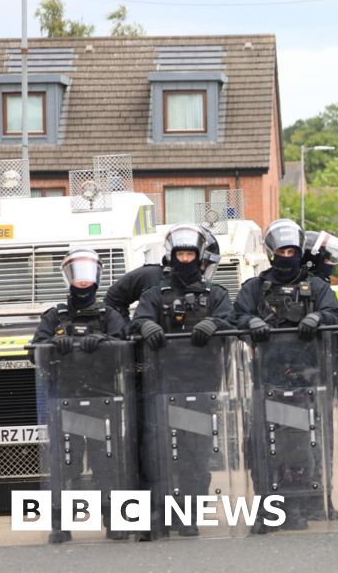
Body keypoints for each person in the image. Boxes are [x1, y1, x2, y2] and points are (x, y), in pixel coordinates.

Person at [234, 218, 338, 532]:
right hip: (265, 379)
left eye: (293, 249)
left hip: (305, 380)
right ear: (272, 252)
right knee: (260, 448)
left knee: (297, 447)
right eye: (282, 249)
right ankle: (268, 508)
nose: (287, 255)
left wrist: (318, 315)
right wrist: (249, 323)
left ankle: (296, 507)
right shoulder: (255, 287)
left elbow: (336, 313)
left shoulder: (317, 287)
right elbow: (235, 315)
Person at [129, 223, 233, 537]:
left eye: (190, 253)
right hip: (161, 387)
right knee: (160, 453)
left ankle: (188, 514)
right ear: (172, 257)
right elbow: (136, 323)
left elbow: (232, 318)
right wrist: (145, 326)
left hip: (200, 387)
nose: (185, 259)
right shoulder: (154, 294)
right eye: (180, 253)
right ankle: (162, 512)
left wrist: (214, 323)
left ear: (200, 257)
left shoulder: (216, 295)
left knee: (194, 456)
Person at [32, 248, 127, 543]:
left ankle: (114, 521)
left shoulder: (108, 315)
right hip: (65, 399)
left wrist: (105, 341)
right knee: (66, 463)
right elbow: (36, 349)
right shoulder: (55, 315)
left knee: (106, 463)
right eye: (77, 275)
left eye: (87, 275)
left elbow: (125, 345)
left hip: (102, 399)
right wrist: (54, 344)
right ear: (68, 278)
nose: (83, 281)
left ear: (96, 277)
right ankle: (60, 524)